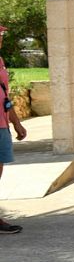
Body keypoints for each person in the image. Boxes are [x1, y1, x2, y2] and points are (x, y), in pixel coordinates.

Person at [0, 25, 28, 235]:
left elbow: (4, 97)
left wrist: (16, 122)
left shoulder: (0, 61)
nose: (1, 38)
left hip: (2, 123)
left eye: (1, 35)